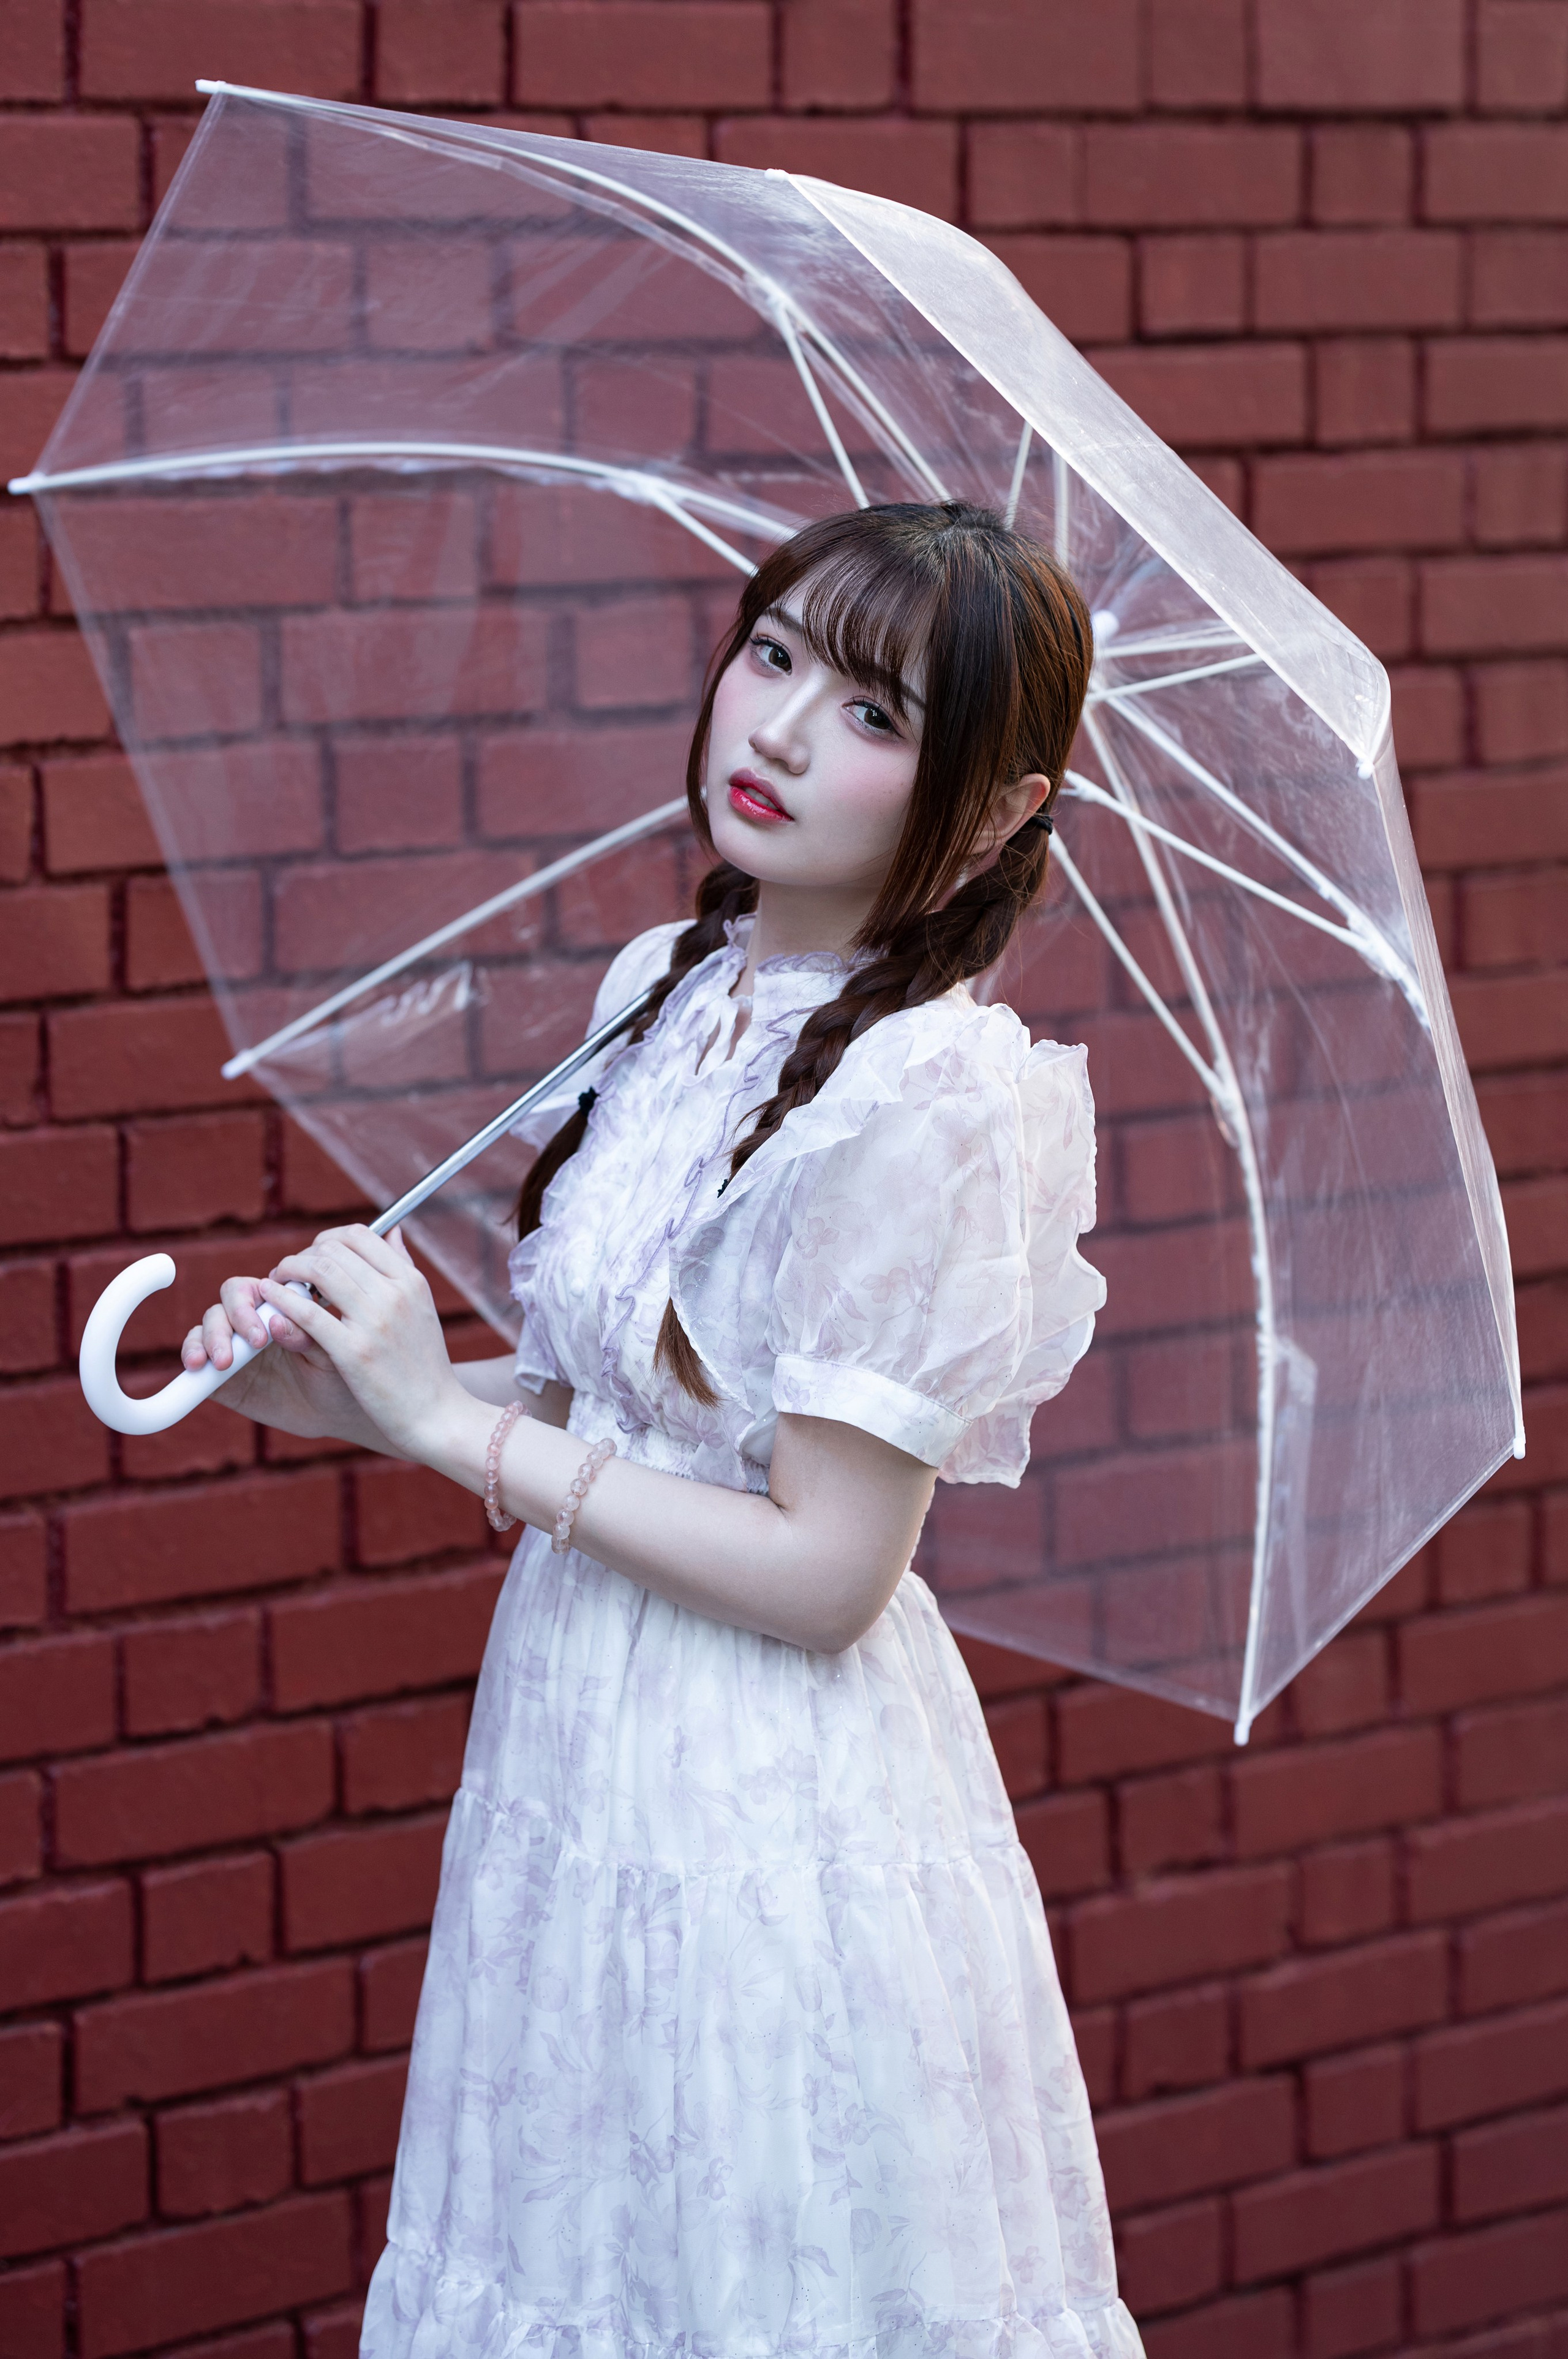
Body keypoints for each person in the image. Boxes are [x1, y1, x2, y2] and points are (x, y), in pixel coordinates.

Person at [184, 500, 1141, 2359]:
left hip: (768, 1785)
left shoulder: (937, 1095)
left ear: (1004, 807)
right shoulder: (666, 990)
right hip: (575, 1741)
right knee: (579, 2246)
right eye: (770, 654)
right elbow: (602, 1411)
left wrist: (448, 1438)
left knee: (741, 2264)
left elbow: (826, 1572)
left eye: (870, 711)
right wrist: (352, 1394)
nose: (775, 731)